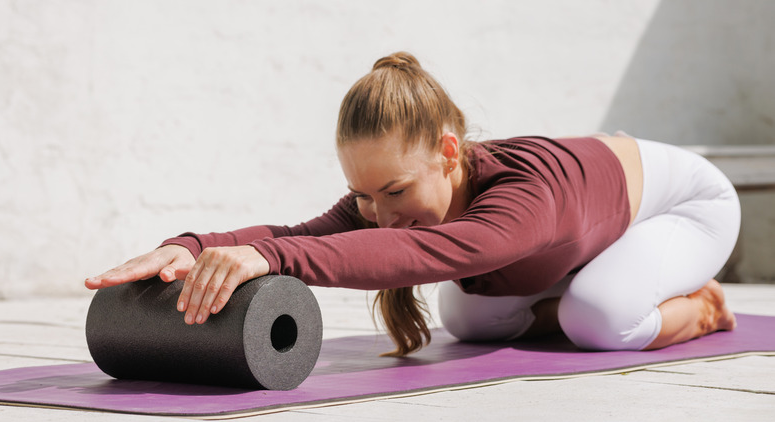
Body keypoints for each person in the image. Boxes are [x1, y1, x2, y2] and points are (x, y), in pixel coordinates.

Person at [85, 52, 740, 357]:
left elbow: (415, 250)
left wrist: (267, 259)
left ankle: (702, 304)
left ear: (449, 154)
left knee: (599, 319)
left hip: (683, 205)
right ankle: (577, 291)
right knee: (471, 320)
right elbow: (303, 232)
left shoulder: (521, 201)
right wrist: (192, 246)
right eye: (364, 196)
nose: (380, 213)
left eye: (395, 192)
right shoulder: (385, 197)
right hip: (594, 229)